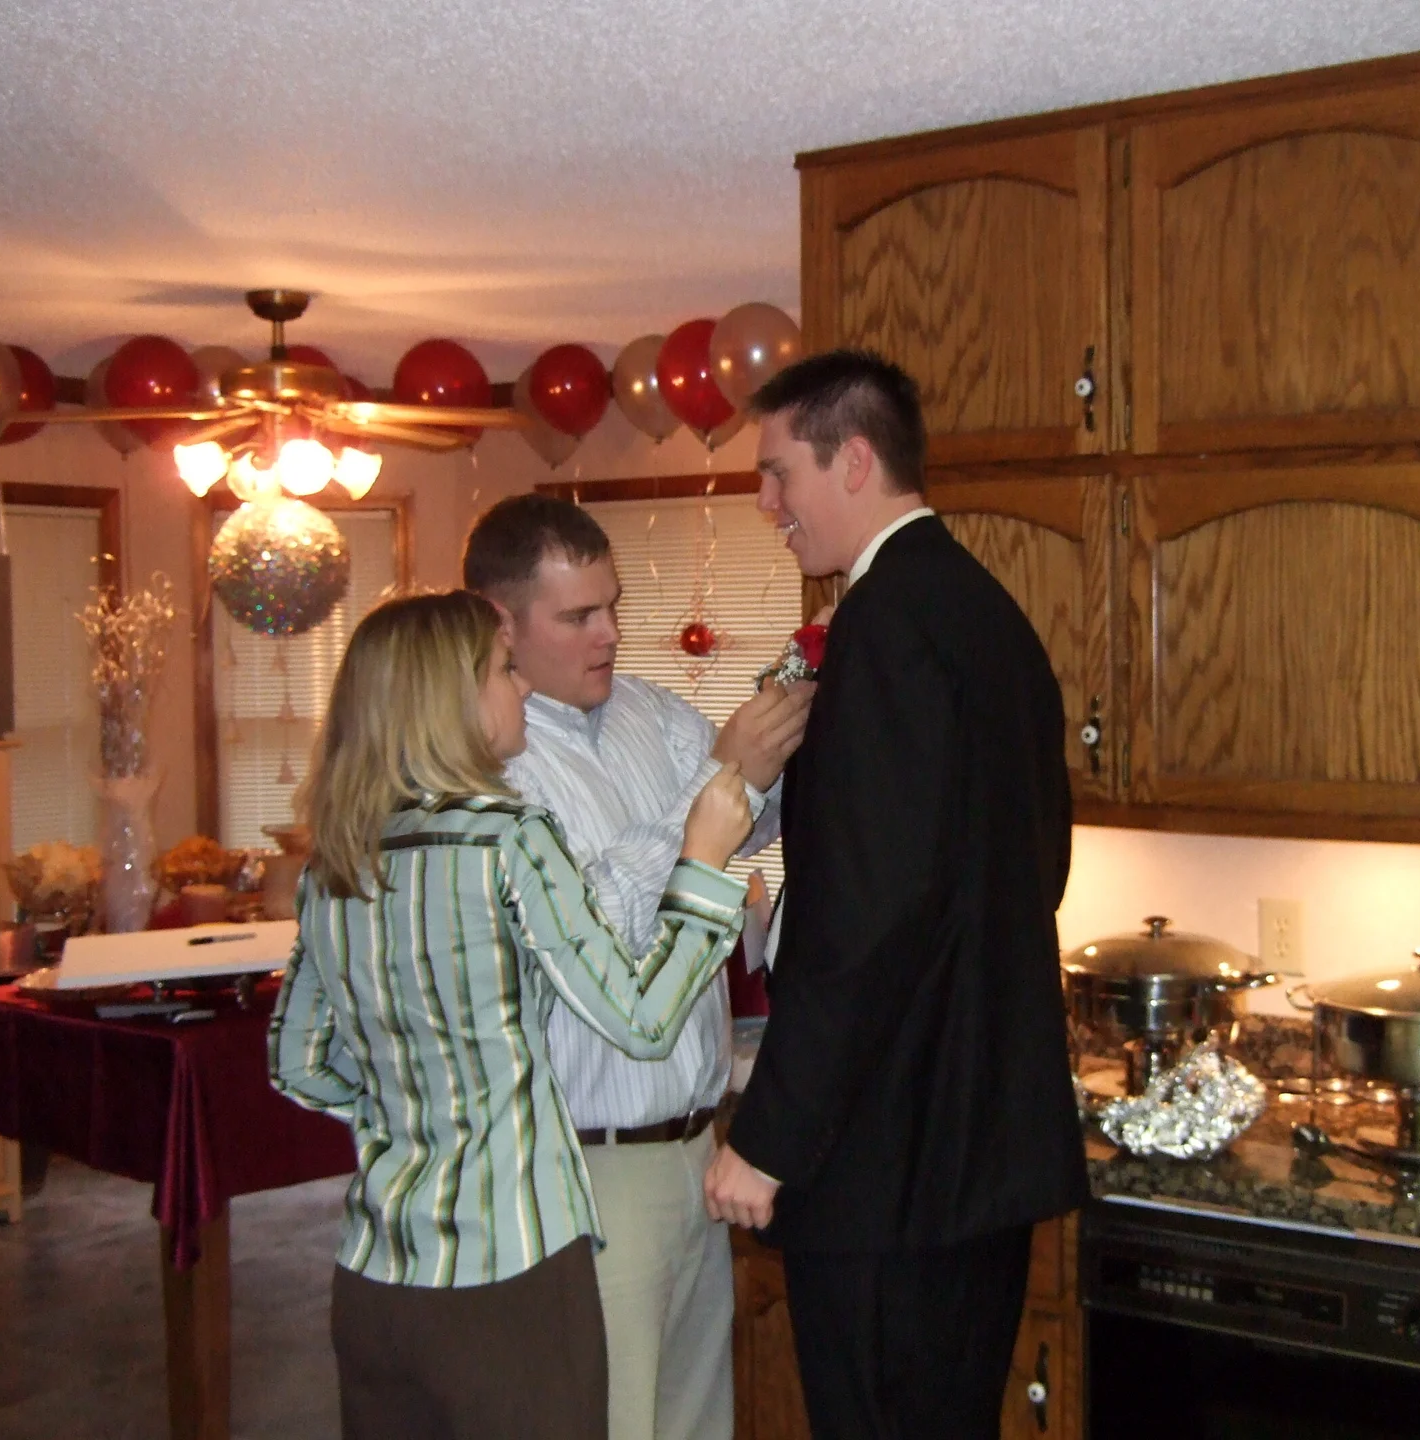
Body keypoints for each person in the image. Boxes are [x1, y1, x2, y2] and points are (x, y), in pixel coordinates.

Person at [705, 350, 1089, 1439]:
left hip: (890, 1164)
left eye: (779, 472)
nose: (767, 501)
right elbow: (1039, 866)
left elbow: (863, 925)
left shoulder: (884, 625)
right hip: (977, 1149)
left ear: (855, 460)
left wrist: (768, 1137)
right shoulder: (987, 615)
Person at [268, 588, 755, 1440]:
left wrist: (421, 1110)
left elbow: (300, 1065)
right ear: (450, 701)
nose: (522, 685)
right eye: (502, 670)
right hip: (511, 1272)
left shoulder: (336, 861)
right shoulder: (508, 838)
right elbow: (642, 1022)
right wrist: (703, 865)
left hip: (376, 1274)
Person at [461, 496, 811, 1440]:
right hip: (588, 1171)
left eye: (612, 605)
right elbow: (594, 923)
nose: (610, 633)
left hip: (698, 1149)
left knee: (697, 1422)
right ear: (500, 622)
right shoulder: (486, 763)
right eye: (578, 615)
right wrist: (714, 790)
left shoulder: (652, 712)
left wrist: (784, 738)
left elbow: (750, 819)